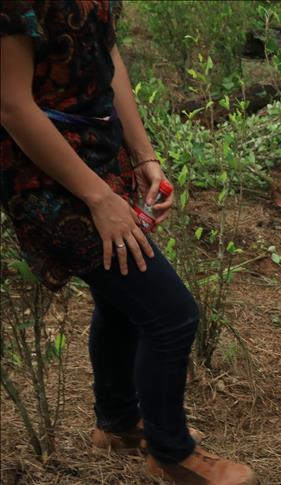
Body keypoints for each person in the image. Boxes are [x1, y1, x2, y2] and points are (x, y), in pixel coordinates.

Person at [0, 2, 256, 484]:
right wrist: (99, 199)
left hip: (99, 152)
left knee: (121, 298)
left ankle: (117, 423)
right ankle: (171, 453)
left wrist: (142, 156)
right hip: (46, 173)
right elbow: (12, 105)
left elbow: (108, 51)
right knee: (171, 313)